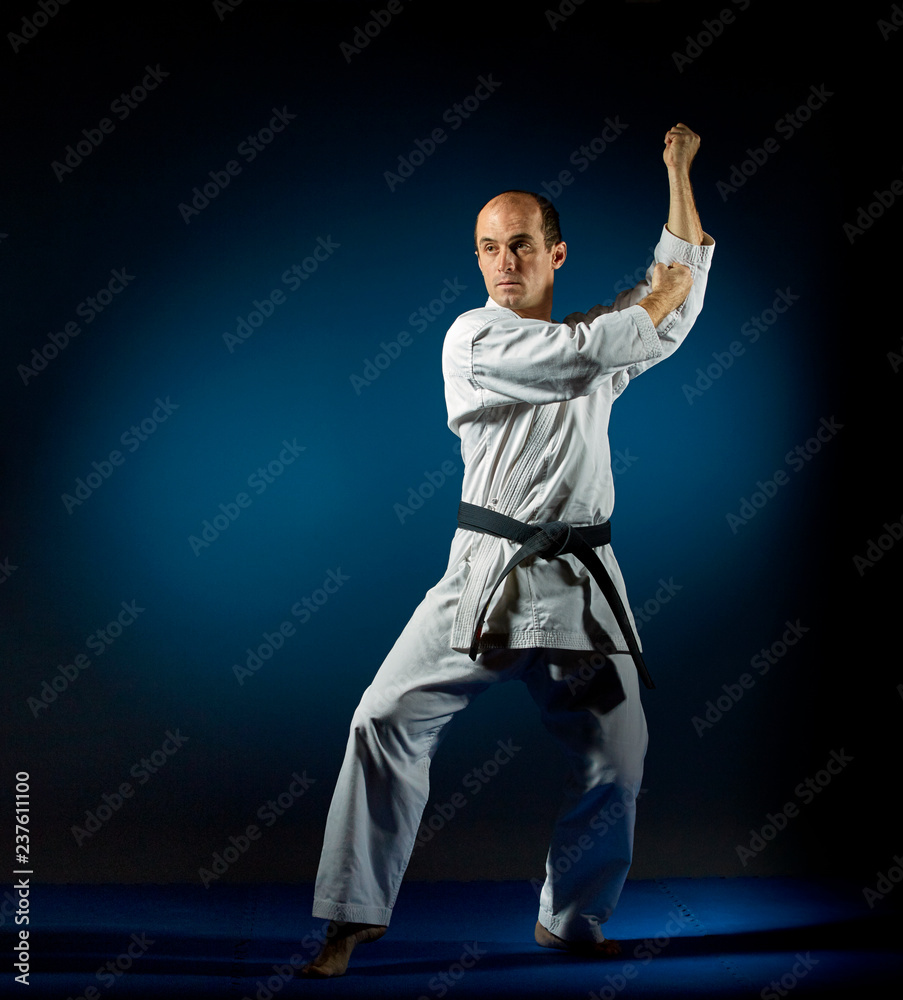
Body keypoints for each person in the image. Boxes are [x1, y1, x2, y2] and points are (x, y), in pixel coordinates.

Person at [302, 123, 715, 977]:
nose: (503, 262)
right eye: (489, 248)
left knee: (618, 758)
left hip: (580, 585)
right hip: (482, 580)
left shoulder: (593, 342)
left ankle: (571, 916)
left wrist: (678, 175)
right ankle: (350, 916)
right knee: (381, 719)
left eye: (520, 245)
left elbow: (663, 324)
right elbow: (588, 349)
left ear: (554, 254)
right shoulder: (474, 339)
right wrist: (660, 292)